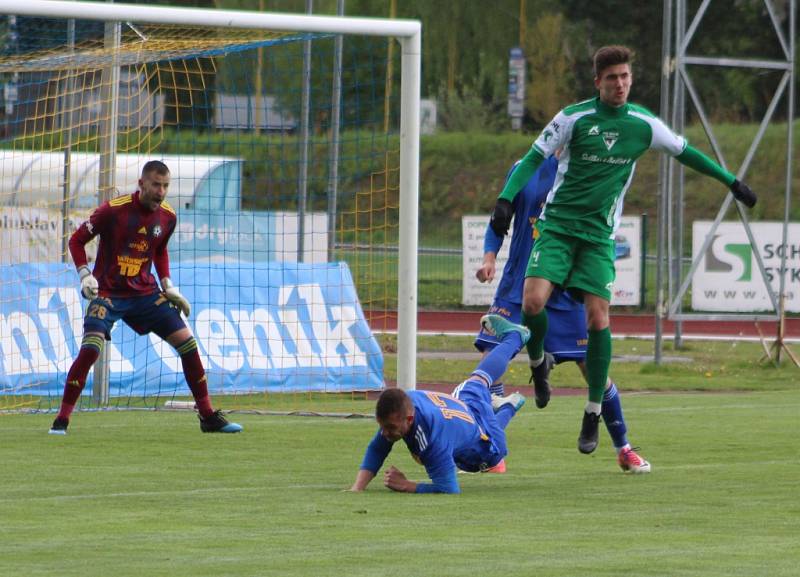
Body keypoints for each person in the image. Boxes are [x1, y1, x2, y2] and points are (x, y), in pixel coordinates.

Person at [488, 45, 756, 455]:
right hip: (558, 228)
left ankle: (593, 410)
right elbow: (532, 158)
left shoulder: (643, 124)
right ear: (598, 82)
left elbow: (689, 153)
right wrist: (505, 200)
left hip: (598, 238)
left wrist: (731, 181)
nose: (620, 84)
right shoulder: (573, 118)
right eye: (612, 77)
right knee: (533, 301)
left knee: (598, 318)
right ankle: (538, 361)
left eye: (626, 77)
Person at [476, 153, 650, 473]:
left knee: (591, 368)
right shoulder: (523, 168)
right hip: (519, 284)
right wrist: (489, 258)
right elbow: (498, 220)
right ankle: (490, 451)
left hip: (565, 289)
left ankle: (623, 447)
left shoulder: (589, 172)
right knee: (491, 356)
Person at [48, 160, 242, 435]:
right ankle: (61, 420)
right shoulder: (113, 211)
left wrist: (168, 285)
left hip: (146, 294)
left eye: (165, 186)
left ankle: (208, 416)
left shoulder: (168, 217)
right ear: (142, 184)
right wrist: (84, 274)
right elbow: (76, 240)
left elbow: (159, 249)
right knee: (91, 348)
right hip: (108, 294)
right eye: (155, 185)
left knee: (188, 344)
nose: (161, 191)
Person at [349, 314, 529, 494]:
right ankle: (514, 338)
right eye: (382, 426)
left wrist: (406, 485)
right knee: (479, 379)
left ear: (410, 419)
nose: (384, 433)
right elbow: (377, 448)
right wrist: (357, 488)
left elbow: (449, 488)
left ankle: (508, 406)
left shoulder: (432, 440)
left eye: (389, 427)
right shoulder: (403, 403)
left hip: (480, 449)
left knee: (497, 450)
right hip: (459, 405)